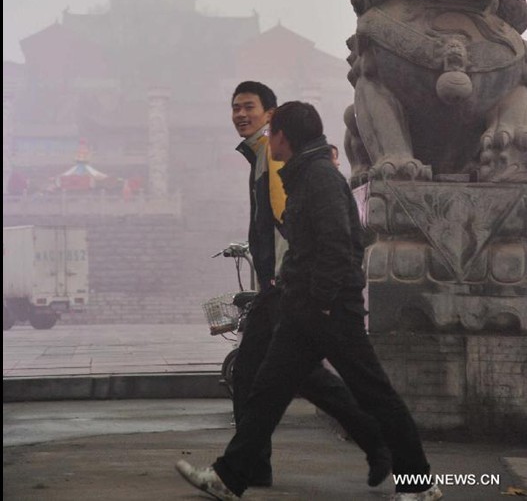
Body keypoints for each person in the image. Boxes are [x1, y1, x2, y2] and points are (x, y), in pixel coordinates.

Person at [176, 100, 442, 501]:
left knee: (374, 393)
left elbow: (338, 244)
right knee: (267, 392)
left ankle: (419, 484)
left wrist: (320, 302)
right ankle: (229, 477)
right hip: (305, 308)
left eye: (273, 133)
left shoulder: (318, 177)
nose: (270, 141)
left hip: (330, 310)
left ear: (284, 136)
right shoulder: (306, 174)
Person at [226, 82, 390, 488]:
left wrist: (283, 279)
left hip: (287, 283)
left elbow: (290, 222)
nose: (240, 115)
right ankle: (375, 441)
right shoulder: (263, 155)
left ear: (272, 115)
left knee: (255, 372)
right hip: (287, 282)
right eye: (235, 108)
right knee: (300, 376)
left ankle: (247, 467)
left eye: (249, 107)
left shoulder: (275, 157)